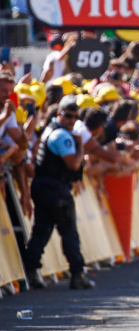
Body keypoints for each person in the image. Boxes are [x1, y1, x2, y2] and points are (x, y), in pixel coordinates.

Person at [23, 95, 95, 290]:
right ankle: (77, 274)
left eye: (75, 117)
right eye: (68, 116)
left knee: (41, 230)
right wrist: (80, 146)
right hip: (56, 189)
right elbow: (73, 163)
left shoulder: (49, 130)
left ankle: (31, 273)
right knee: (68, 231)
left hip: (43, 186)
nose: (72, 121)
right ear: (59, 114)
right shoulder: (62, 136)